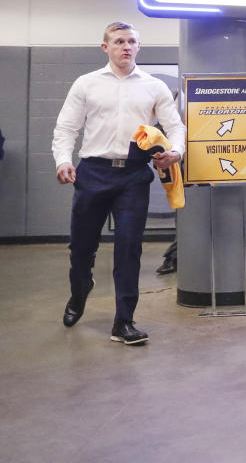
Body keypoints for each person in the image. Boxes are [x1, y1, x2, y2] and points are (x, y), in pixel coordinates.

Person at [53, 21, 185, 346]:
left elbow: (175, 126)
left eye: (131, 42)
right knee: (82, 248)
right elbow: (66, 128)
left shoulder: (153, 87)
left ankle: (123, 321)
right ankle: (80, 291)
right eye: (119, 41)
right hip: (93, 173)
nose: (125, 47)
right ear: (106, 47)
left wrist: (176, 152)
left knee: (129, 247)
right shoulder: (86, 84)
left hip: (133, 175)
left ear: (138, 47)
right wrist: (63, 160)